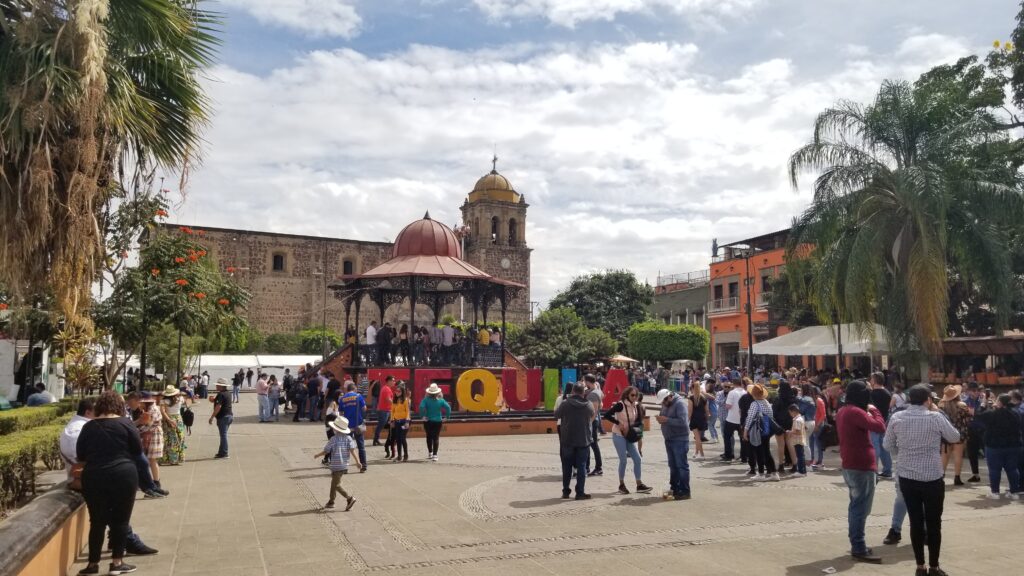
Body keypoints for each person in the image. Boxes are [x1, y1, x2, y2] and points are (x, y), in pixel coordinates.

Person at [61, 398, 158, 558]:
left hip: (93, 475)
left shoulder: (85, 426)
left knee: (101, 520)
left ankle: (96, 560)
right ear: (88, 412)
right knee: (117, 515)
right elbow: (135, 449)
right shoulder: (80, 429)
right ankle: (120, 555)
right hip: (94, 476)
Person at [884, 384, 960, 576]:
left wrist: (901, 454)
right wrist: (936, 411)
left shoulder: (897, 417)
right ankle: (934, 566)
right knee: (934, 522)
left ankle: (920, 566)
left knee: (915, 521)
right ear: (928, 400)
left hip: (907, 476)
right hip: (932, 477)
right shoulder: (935, 417)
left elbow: (887, 445)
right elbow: (954, 436)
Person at [76, 391, 143, 576]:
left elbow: (80, 454)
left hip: (95, 475)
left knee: (96, 521)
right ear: (118, 406)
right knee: (121, 520)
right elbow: (138, 450)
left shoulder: (89, 427)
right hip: (124, 474)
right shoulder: (126, 424)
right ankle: (116, 563)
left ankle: (92, 564)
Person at [836, 380, 886, 563]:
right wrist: (874, 410)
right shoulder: (855, 412)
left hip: (851, 464)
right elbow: (880, 426)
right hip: (861, 465)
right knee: (861, 508)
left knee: (855, 506)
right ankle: (858, 546)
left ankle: (857, 543)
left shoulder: (843, 411)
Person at [603, 386, 653, 495]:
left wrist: (636, 430)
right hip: (618, 435)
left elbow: (638, 421)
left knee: (638, 459)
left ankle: (639, 484)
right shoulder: (620, 404)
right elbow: (606, 415)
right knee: (623, 460)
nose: (635, 397)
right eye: (632, 395)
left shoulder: (636, 406)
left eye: (636, 395)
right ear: (627, 395)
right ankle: (621, 484)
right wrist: (618, 423)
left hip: (629, 436)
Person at [973, 393, 1022, 499]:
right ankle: (1014, 492)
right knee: (1012, 469)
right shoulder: (1016, 413)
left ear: (1000, 402)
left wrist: (983, 405)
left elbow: (977, 416)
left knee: (994, 469)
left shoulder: (992, 414)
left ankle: (995, 492)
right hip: (1013, 445)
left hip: (994, 446)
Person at [555, 382, 595, 500]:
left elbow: (556, 415)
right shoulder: (588, 404)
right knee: (582, 467)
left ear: (572, 392)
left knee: (566, 466)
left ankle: (566, 491)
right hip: (583, 440)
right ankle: (580, 492)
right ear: (583, 392)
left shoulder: (565, 403)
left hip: (567, 439)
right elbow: (592, 414)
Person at [312, 416, 360, 511]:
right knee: (334, 483)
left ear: (335, 429)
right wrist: (358, 462)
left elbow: (326, 451)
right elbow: (353, 451)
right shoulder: (349, 438)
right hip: (344, 465)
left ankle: (349, 498)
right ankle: (331, 501)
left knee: (336, 485)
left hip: (336, 466)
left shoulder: (333, 439)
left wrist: (317, 455)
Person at [657, 388, 691, 500]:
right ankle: (675, 488)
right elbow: (665, 416)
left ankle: (685, 491)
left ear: (669, 397)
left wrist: (666, 420)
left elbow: (683, 422)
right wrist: (661, 419)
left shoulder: (680, 404)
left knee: (681, 465)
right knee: (672, 465)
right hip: (669, 438)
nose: (663, 404)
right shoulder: (666, 404)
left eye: (664, 402)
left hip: (679, 439)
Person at [743, 384, 778, 481]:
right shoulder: (766, 402)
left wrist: (745, 431)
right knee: (766, 451)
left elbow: (749, 418)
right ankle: (774, 473)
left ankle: (761, 473)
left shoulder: (754, 404)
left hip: (757, 430)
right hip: (766, 430)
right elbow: (771, 416)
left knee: (758, 451)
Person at [938, 385, 971, 486]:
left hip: (946, 433)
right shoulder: (962, 405)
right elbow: (968, 419)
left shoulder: (941, 406)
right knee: (958, 456)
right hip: (959, 433)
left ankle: (941, 477)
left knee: (944, 455)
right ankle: (957, 478)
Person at [135, 393, 164, 494]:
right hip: (153, 434)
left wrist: (136, 430)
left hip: (153, 434)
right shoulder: (152, 409)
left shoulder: (151, 411)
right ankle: (154, 482)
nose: (140, 404)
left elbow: (148, 425)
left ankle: (155, 483)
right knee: (151, 460)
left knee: (151, 459)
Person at [869, 373, 894, 478]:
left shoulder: (872, 394)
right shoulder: (888, 393)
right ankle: (887, 470)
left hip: (873, 422)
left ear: (874, 381)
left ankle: (873, 470)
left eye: (871, 379)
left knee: (874, 446)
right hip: (883, 422)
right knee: (884, 447)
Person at [340, 381, 368, 472]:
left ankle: (345, 467)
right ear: (354, 389)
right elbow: (364, 409)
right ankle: (363, 466)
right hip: (358, 425)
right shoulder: (358, 396)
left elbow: (341, 413)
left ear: (347, 390)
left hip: (347, 426)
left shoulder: (342, 398)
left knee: (346, 447)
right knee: (361, 446)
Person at [419, 383, 451, 461]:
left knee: (429, 436)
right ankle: (435, 455)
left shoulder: (425, 400)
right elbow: (448, 408)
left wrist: (422, 416)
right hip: (438, 420)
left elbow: (421, 407)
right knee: (436, 437)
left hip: (428, 420)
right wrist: (447, 417)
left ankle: (430, 453)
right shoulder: (441, 400)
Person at [159, 386, 186, 466]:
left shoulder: (164, 401)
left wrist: (169, 420)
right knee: (179, 438)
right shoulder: (180, 399)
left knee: (169, 439)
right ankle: (177, 459)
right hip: (178, 419)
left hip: (169, 420)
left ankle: (167, 458)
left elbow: (163, 412)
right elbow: (185, 401)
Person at [583, 375, 604, 476]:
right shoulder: (596, 391)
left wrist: (589, 423)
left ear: (587, 381)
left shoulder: (594, 394)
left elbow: (595, 411)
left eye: (584, 381)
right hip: (592, 420)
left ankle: (598, 467)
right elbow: (601, 404)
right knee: (590, 444)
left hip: (592, 421)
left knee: (593, 444)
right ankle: (587, 467)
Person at [722, 378, 746, 462]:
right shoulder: (745, 392)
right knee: (743, 438)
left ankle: (728, 455)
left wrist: (725, 405)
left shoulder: (732, 392)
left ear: (734, 384)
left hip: (731, 418)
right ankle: (744, 456)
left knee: (727, 437)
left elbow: (728, 406)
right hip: (742, 419)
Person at [210, 378, 233, 459]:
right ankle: (221, 452)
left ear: (221, 386)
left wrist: (212, 417)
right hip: (229, 415)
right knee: (223, 434)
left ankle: (224, 453)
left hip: (223, 417)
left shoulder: (221, 394)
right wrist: (213, 400)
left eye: (217, 385)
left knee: (223, 435)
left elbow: (218, 406)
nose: (216, 386)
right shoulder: (227, 393)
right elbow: (220, 402)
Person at [388, 384, 411, 461]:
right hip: (397, 422)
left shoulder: (405, 400)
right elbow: (392, 411)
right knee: (397, 439)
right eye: (396, 391)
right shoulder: (394, 400)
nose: (397, 392)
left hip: (404, 421)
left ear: (402, 392)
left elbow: (408, 411)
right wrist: (392, 421)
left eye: (399, 391)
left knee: (402, 438)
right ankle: (399, 456)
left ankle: (406, 455)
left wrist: (407, 422)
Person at [687, 385, 709, 459]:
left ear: (693, 389)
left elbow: (690, 410)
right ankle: (696, 453)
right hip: (702, 418)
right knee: (698, 437)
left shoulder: (691, 398)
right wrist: (706, 418)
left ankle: (702, 454)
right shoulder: (703, 398)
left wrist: (688, 419)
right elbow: (707, 411)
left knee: (697, 438)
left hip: (694, 419)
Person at [788, 404, 807, 476]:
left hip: (798, 440)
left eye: (790, 413)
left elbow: (798, 431)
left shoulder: (797, 420)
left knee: (800, 456)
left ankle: (801, 471)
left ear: (793, 411)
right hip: (800, 440)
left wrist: (790, 432)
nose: (790, 415)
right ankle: (803, 471)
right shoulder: (800, 418)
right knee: (801, 455)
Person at [374, 377, 394, 448]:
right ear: (389, 381)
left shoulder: (385, 388)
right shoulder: (386, 389)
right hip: (384, 410)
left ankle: (389, 438)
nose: (394, 382)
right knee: (381, 425)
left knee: (386, 424)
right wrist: (396, 404)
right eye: (393, 381)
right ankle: (376, 439)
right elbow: (388, 399)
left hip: (385, 410)